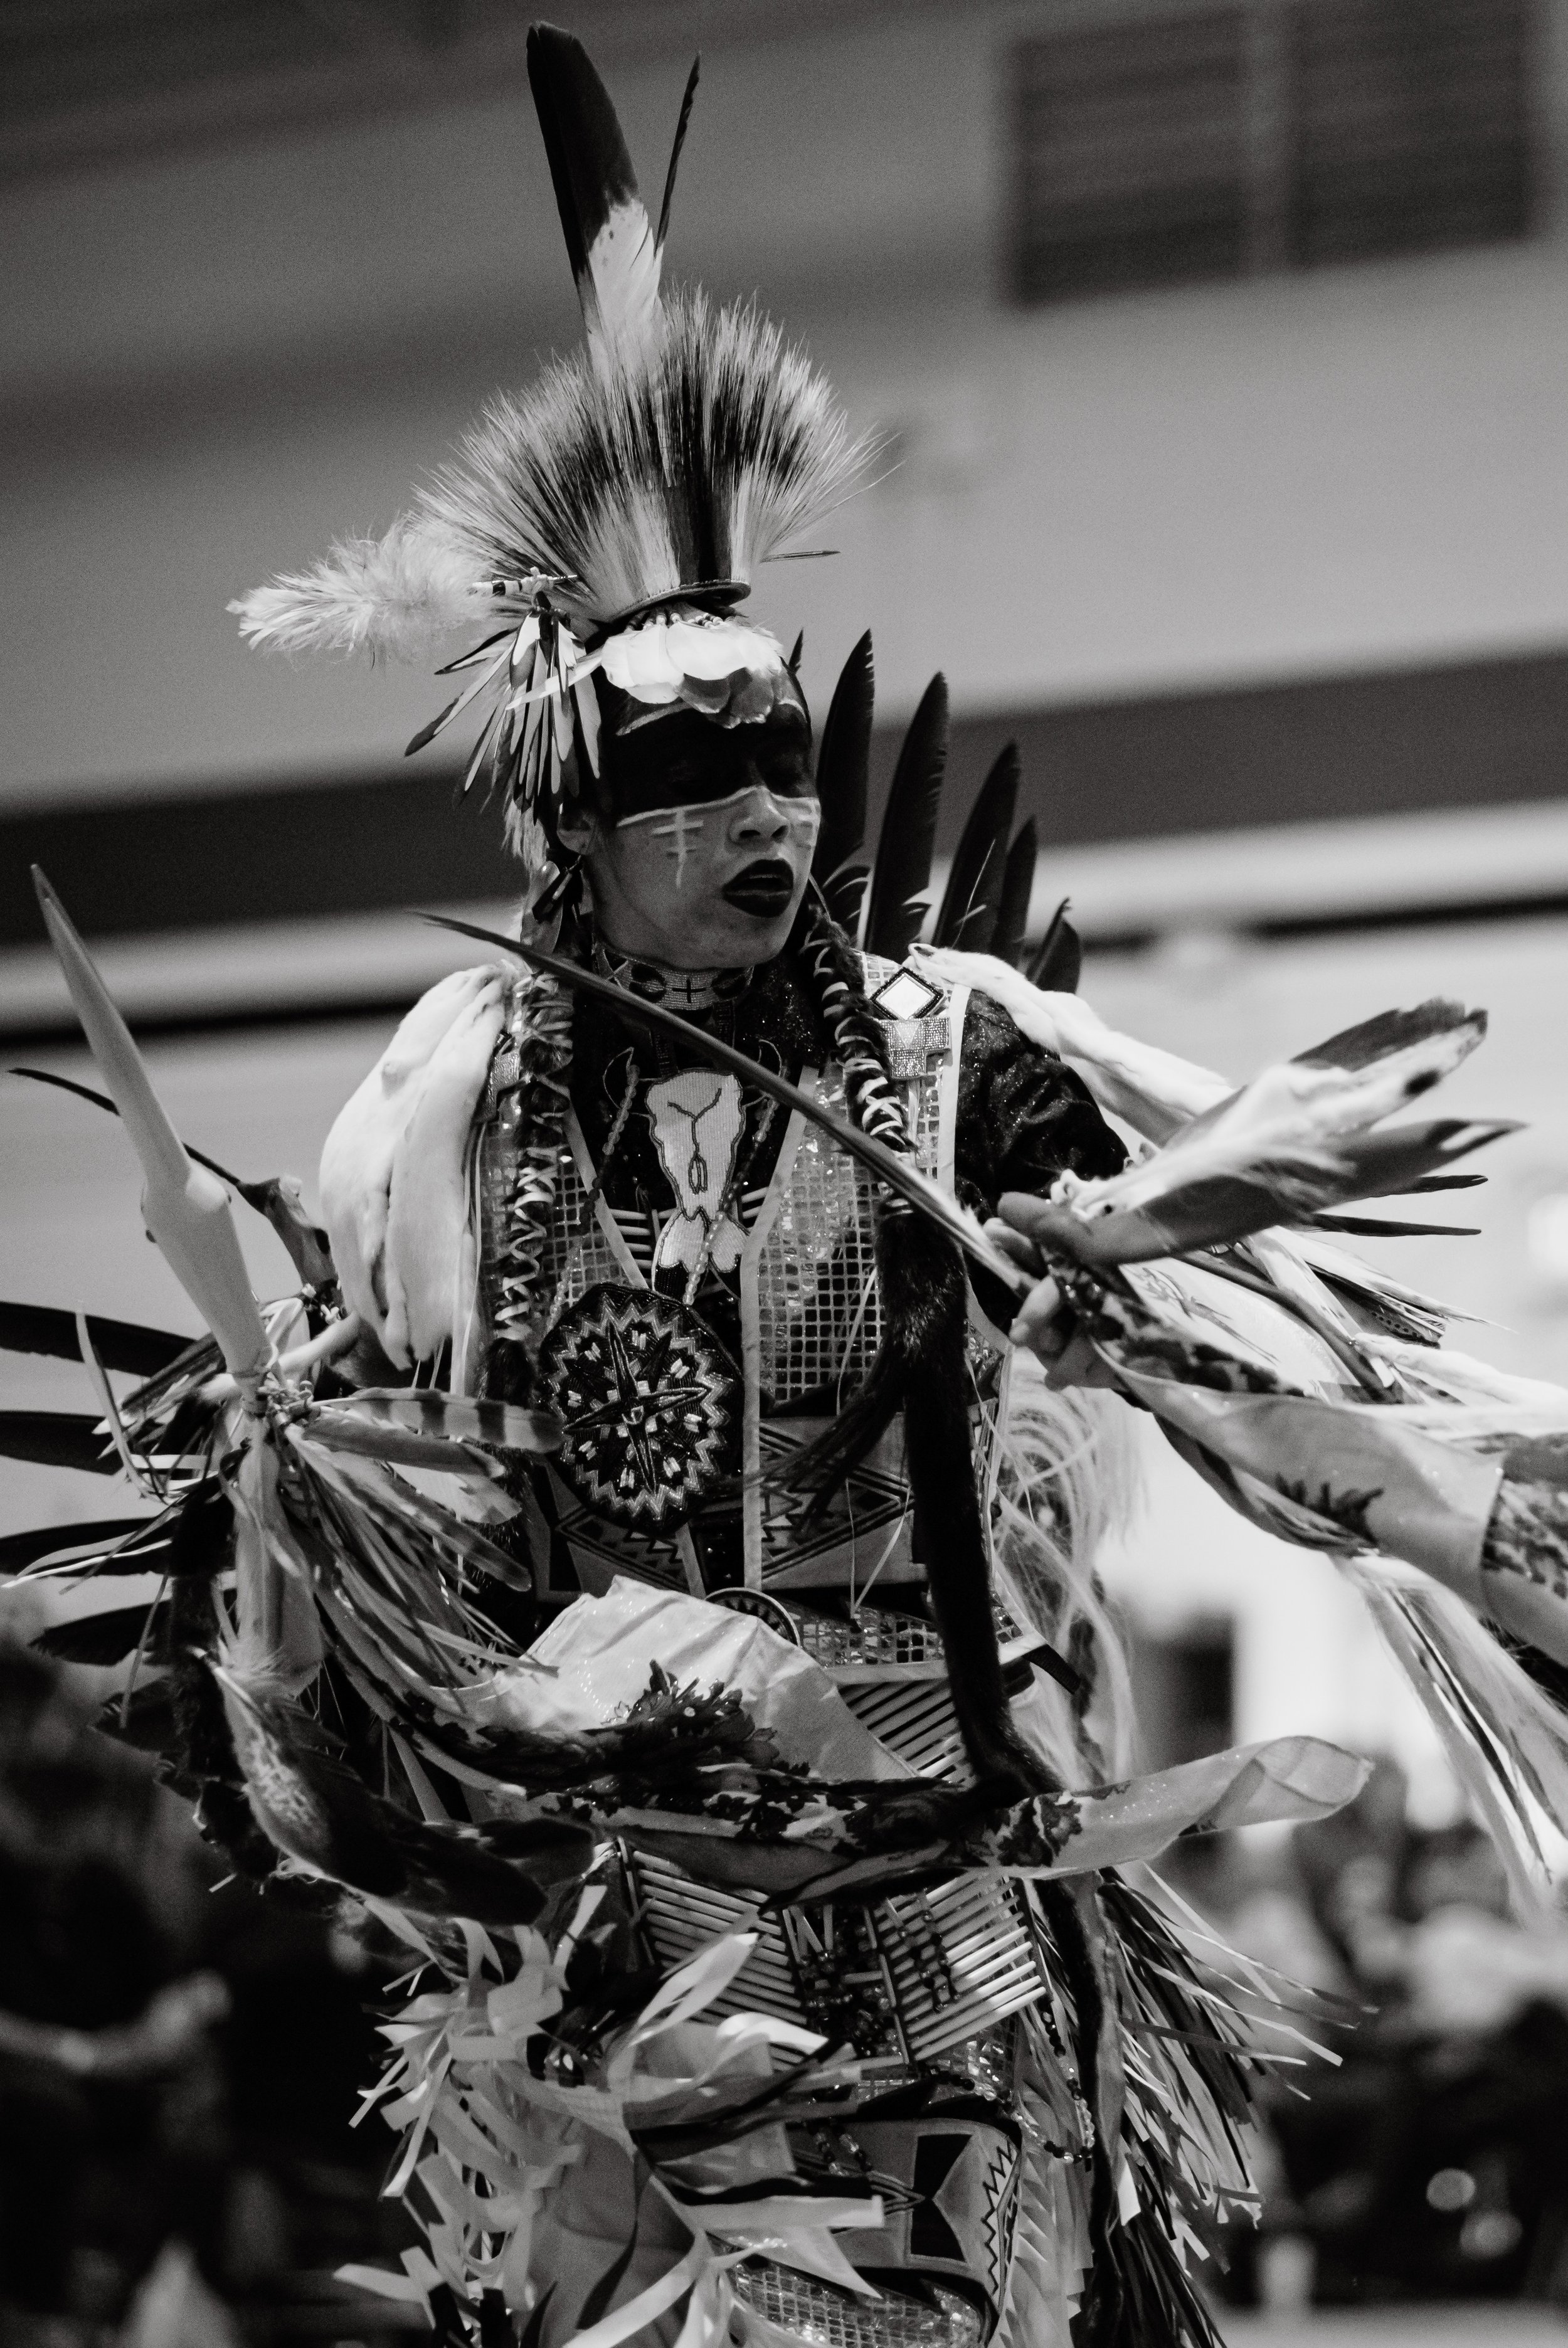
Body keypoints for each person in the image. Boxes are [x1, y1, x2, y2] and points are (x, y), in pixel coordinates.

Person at [16, 24, 1568, 2348]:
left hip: (940, 1897)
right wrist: (297, 1525)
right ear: (571, 817)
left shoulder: (949, 1057)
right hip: (613, 1950)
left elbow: (1201, 1350)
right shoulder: (446, 1102)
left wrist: (1388, 1450)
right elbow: (415, 1476)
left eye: (779, 758)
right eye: (695, 774)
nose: (769, 810)